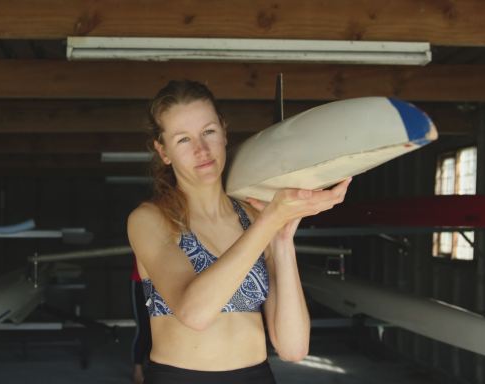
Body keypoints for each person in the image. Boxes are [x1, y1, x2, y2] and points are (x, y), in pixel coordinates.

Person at [127, 79, 351, 384]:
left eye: (208, 132)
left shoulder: (254, 217)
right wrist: (270, 221)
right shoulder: (149, 220)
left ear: (224, 131)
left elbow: (293, 348)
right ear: (163, 151)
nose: (202, 149)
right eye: (183, 140)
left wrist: (283, 241)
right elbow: (194, 313)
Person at [130, 254, 151, 383]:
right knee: (144, 328)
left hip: (162, 281)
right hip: (141, 283)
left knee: (159, 328)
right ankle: (137, 369)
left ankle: (153, 366)